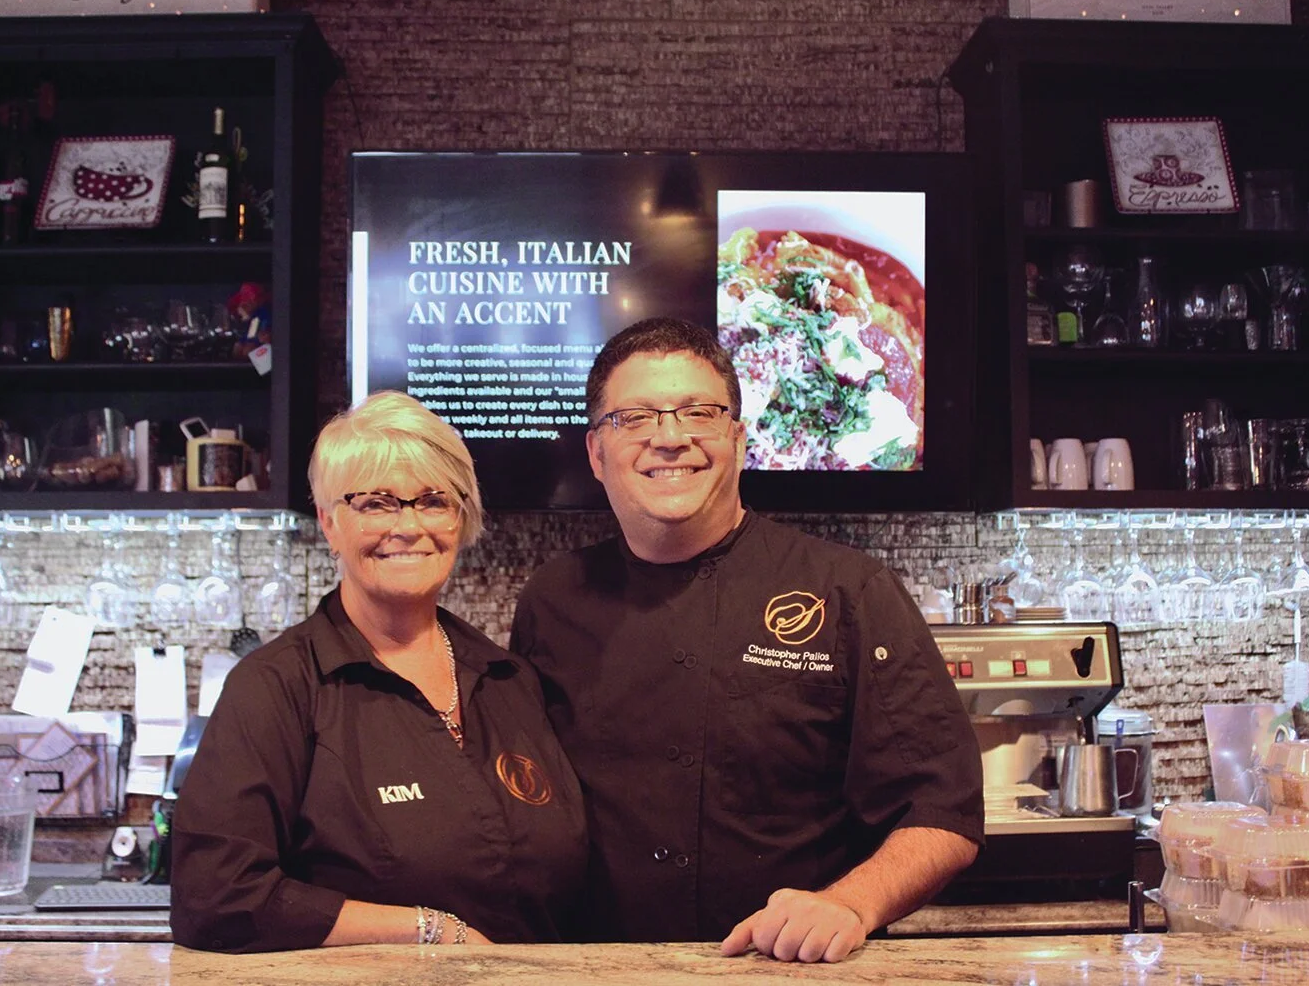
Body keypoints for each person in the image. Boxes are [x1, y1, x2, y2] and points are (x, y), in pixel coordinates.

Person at [510, 317, 982, 963]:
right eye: (635, 418)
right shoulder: (551, 600)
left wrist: (849, 901)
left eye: (697, 412)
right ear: (596, 452)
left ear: (737, 437)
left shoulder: (849, 591)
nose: (670, 438)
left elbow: (943, 809)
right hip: (600, 970)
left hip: (790, 970)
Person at [171, 391, 588, 953]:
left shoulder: (509, 678)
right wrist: (431, 931)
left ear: (459, 517)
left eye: (433, 500)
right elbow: (214, 897)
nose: (409, 525)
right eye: (376, 503)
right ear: (329, 522)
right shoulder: (275, 687)